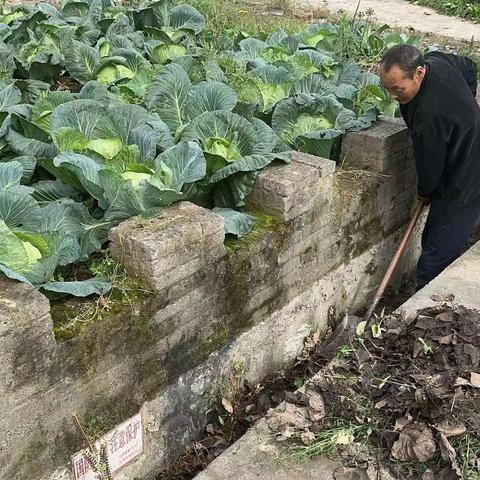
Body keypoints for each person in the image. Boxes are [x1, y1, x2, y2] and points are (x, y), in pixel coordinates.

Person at [379, 45, 480, 291]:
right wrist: (468, 110)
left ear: (419, 73)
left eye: (397, 89)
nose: (392, 96)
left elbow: (430, 171)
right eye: (387, 88)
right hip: (468, 148)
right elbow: (469, 66)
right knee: (441, 233)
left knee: (436, 250)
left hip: (467, 174)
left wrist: (425, 191)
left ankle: (426, 303)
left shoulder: (428, 117)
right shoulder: (438, 61)